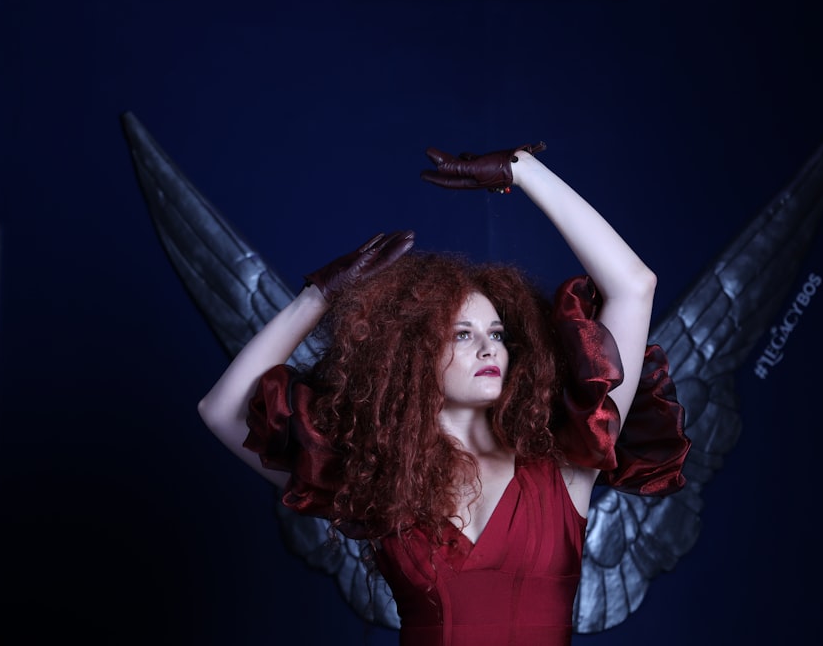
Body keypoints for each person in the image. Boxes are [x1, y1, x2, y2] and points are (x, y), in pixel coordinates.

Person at [197, 142, 690, 645]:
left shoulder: (568, 459)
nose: (488, 348)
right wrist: (318, 297)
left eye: (497, 333)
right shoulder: (377, 480)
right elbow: (220, 410)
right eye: (462, 334)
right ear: (412, 357)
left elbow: (634, 286)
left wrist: (523, 172)